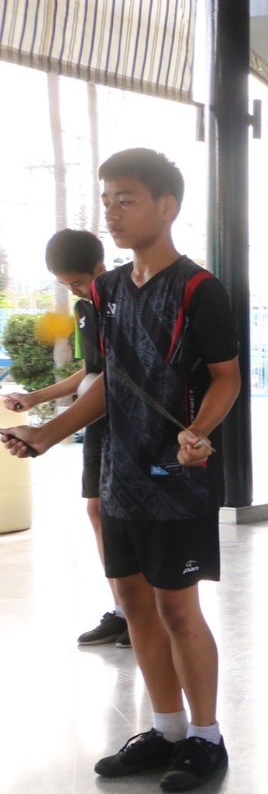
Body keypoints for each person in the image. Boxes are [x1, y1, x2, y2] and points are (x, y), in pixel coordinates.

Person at [1, 148, 241, 793]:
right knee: (134, 604)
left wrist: (199, 432)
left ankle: (206, 737)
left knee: (178, 609)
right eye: (106, 200)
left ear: (167, 207)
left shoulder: (199, 289)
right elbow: (109, 382)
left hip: (178, 480)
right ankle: (166, 730)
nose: (111, 212)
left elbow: (226, 378)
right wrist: (46, 433)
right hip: (120, 475)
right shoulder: (106, 292)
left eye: (126, 199)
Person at [4, 229, 130, 648]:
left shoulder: (128, 302)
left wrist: (49, 431)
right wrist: (35, 397)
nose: (75, 290)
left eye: (78, 281)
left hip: (131, 422)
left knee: (130, 517)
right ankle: (123, 611)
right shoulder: (83, 309)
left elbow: (120, 373)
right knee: (97, 510)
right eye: (66, 284)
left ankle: (145, 611)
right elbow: (92, 371)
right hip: (96, 418)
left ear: (99, 267)